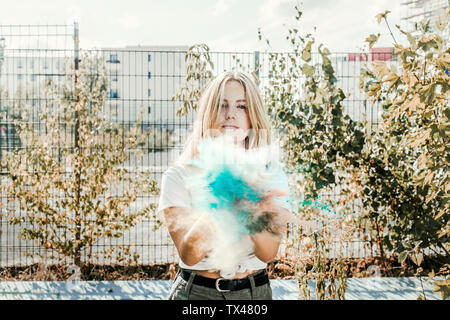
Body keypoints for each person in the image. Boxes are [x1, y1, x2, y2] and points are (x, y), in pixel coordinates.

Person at [157, 70, 292, 300]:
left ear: (253, 116)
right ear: (208, 113)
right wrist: (220, 192)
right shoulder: (178, 176)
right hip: (197, 295)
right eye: (222, 105)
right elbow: (190, 254)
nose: (230, 114)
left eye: (242, 106)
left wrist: (246, 192)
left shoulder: (271, 174)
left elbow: (268, 252)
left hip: (254, 294)